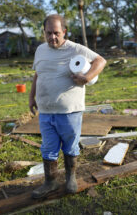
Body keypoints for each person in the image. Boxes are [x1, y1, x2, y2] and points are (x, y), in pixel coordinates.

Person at [29, 14, 106, 198]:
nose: (52, 37)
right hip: (46, 111)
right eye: (48, 33)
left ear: (64, 32)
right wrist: (31, 97)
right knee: (48, 147)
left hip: (69, 111)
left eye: (56, 33)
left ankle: (71, 178)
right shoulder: (40, 50)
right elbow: (37, 74)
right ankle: (50, 182)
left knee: (70, 146)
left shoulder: (76, 50)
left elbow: (100, 61)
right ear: (44, 32)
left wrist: (86, 78)